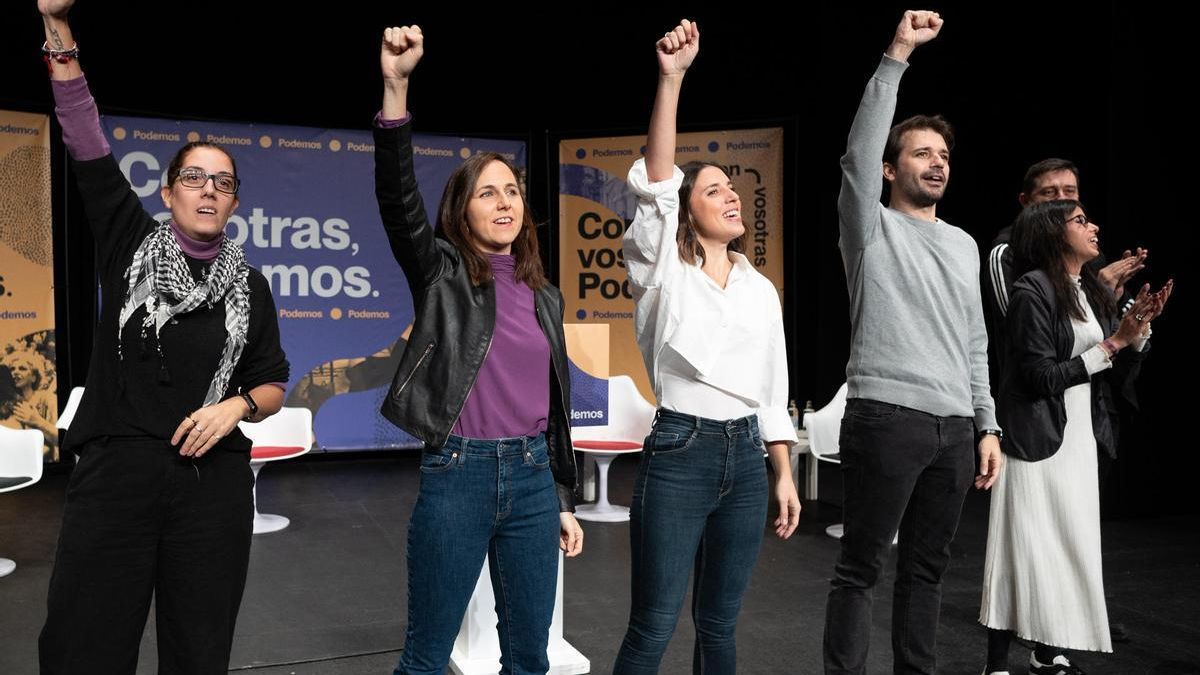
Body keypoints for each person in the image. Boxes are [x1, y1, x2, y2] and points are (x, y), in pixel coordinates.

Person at [35, 2, 290, 672]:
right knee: (82, 647)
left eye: (224, 182)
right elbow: (85, 142)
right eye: (195, 177)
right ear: (169, 191)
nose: (209, 189)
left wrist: (236, 407)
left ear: (235, 203)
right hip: (117, 475)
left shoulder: (251, 287)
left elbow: (271, 381)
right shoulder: (128, 241)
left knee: (199, 653)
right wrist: (59, 34)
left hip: (213, 489)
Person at [372, 25, 583, 675]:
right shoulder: (442, 272)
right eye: (487, 191)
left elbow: (554, 408)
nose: (504, 201)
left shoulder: (543, 295)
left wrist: (563, 499)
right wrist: (396, 86)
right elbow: (397, 197)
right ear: (461, 212)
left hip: (531, 481)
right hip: (458, 474)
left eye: (512, 190)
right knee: (427, 654)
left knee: (529, 655)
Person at [613, 19, 801, 674]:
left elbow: (773, 391)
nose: (730, 195)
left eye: (732, 187)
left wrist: (782, 471)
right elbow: (657, 183)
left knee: (720, 626)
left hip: (747, 459)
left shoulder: (761, 290)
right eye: (712, 188)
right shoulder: (662, 268)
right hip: (680, 451)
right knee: (653, 626)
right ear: (687, 209)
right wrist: (672, 79)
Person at [825, 11, 1003, 674]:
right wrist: (898, 53)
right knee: (861, 568)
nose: (937, 163)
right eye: (922, 152)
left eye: (944, 156)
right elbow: (856, 149)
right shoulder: (868, 228)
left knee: (925, 574)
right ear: (889, 169)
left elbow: (975, 338)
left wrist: (986, 422)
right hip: (887, 416)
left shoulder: (963, 243)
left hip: (955, 429)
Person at [979, 200, 1171, 675]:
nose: (1094, 226)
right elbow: (1036, 376)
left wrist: (1138, 331)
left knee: (1067, 546)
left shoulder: (1085, 289)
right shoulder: (1031, 290)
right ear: (1051, 233)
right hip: (1037, 441)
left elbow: (1116, 363)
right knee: (1021, 549)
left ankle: (1047, 654)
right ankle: (997, 665)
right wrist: (1114, 343)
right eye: (1081, 220)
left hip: (1079, 440)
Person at [0, 349, 59, 459]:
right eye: (12, 369)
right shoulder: (8, 404)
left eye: (22, 368)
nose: (15, 372)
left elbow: (61, 439)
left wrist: (37, 421)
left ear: (34, 377)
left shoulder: (47, 398)